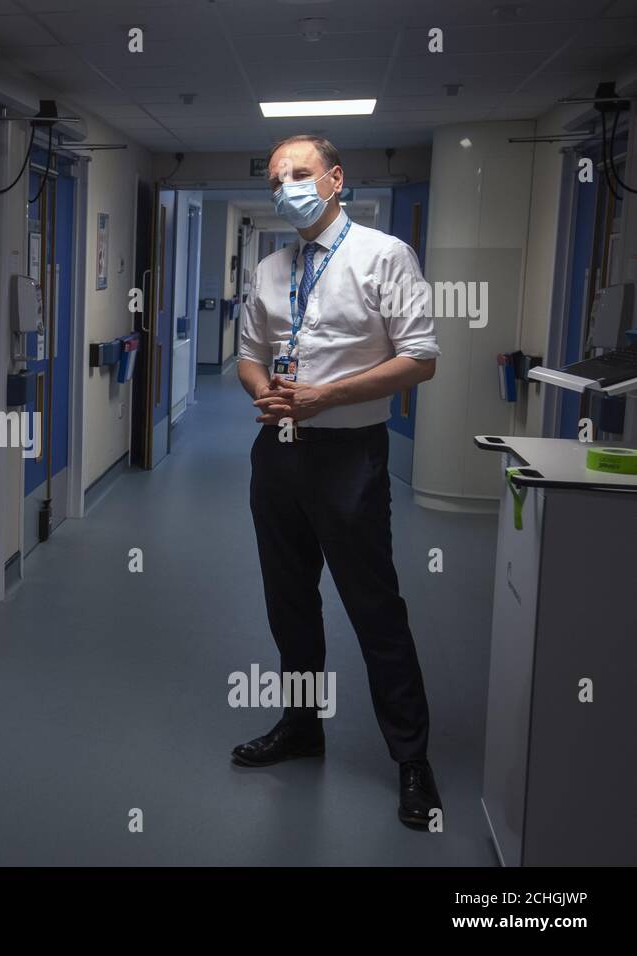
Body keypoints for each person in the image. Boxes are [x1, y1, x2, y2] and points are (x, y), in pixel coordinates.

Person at [233, 134, 443, 829]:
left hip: (351, 453)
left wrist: (327, 397)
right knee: (289, 604)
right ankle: (302, 726)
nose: (286, 186)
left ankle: (411, 759)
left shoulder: (384, 256)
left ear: (335, 179)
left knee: (373, 608)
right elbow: (250, 357)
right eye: (275, 179)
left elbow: (419, 358)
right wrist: (267, 393)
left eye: (300, 173)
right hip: (280, 451)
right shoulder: (269, 268)